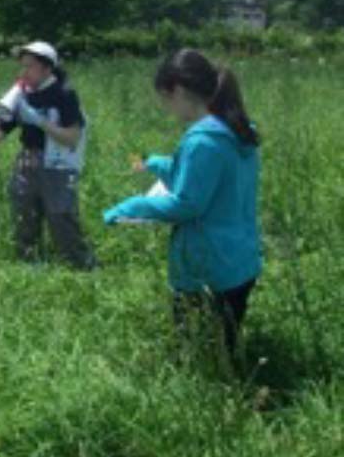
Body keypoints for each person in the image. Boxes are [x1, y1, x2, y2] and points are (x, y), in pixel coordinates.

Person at [103, 49, 262, 355]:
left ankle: (214, 396)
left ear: (176, 90)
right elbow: (205, 176)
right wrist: (153, 163)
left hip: (209, 266)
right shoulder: (236, 129)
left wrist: (131, 207)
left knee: (196, 350)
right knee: (226, 346)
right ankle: (231, 388)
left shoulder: (202, 140)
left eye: (165, 100)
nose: (168, 109)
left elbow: (186, 205)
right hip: (241, 260)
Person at [0, 41, 95, 270]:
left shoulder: (64, 94)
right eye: (22, 66)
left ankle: (82, 267)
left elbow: (72, 137)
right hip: (26, 163)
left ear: (47, 69)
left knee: (62, 217)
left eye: (29, 67)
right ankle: (31, 267)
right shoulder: (20, 95)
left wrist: (39, 121)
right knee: (24, 217)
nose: (23, 73)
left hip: (58, 165)